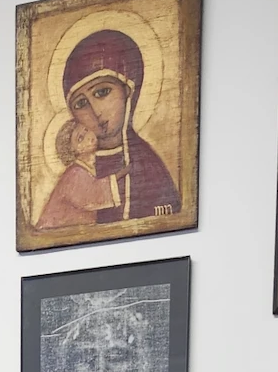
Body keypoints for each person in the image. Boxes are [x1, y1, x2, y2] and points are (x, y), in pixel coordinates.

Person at [34, 28, 180, 230]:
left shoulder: (148, 165)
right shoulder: (76, 172)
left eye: (102, 92)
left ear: (127, 91)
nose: (95, 111)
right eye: (81, 104)